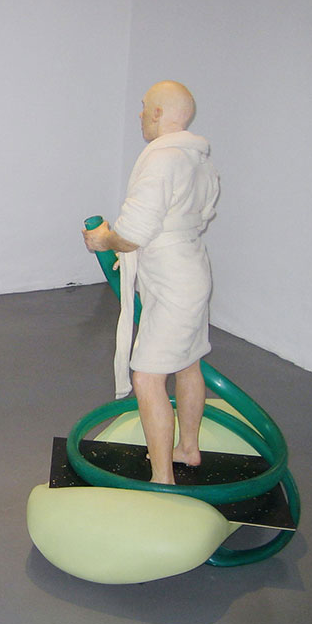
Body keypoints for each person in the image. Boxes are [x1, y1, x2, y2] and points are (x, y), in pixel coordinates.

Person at [82, 80, 220, 485]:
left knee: (147, 376)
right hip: (191, 269)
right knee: (188, 361)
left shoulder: (162, 160)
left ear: (159, 113)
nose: (140, 113)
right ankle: (187, 448)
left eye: (145, 107)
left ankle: (162, 478)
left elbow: (133, 233)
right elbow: (200, 214)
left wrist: (104, 239)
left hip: (172, 278)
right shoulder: (198, 160)